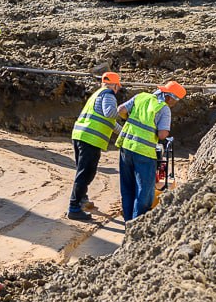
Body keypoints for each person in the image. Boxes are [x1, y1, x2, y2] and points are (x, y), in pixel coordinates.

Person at [116, 80, 186, 222]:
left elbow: (121, 110)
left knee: (127, 188)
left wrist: (129, 119)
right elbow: (162, 134)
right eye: (175, 101)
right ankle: (136, 225)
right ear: (169, 97)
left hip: (126, 147)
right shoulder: (164, 108)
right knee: (144, 193)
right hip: (144, 152)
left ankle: (128, 222)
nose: (173, 104)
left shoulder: (141, 96)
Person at [66, 72, 123, 221]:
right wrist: (126, 111)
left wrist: (124, 133)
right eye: (118, 87)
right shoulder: (109, 94)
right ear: (115, 85)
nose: (117, 90)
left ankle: (82, 199)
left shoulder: (97, 94)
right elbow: (110, 113)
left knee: (82, 172)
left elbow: (109, 121)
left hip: (80, 135)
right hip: (90, 139)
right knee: (86, 174)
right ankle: (74, 208)